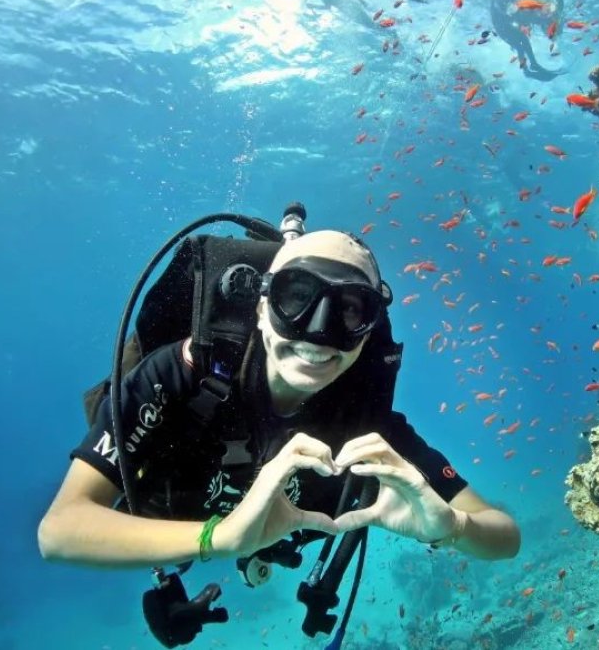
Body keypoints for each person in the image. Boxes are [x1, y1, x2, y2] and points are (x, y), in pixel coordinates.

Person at [38, 230, 521, 572]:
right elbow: (59, 529)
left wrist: (451, 526)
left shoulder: (365, 425)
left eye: (350, 310)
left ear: (368, 333)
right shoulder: (181, 374)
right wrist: (219, 539)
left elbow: (503, 534)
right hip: (177, 525)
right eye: (297, 298)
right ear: (261, 307)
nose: (318, 334)